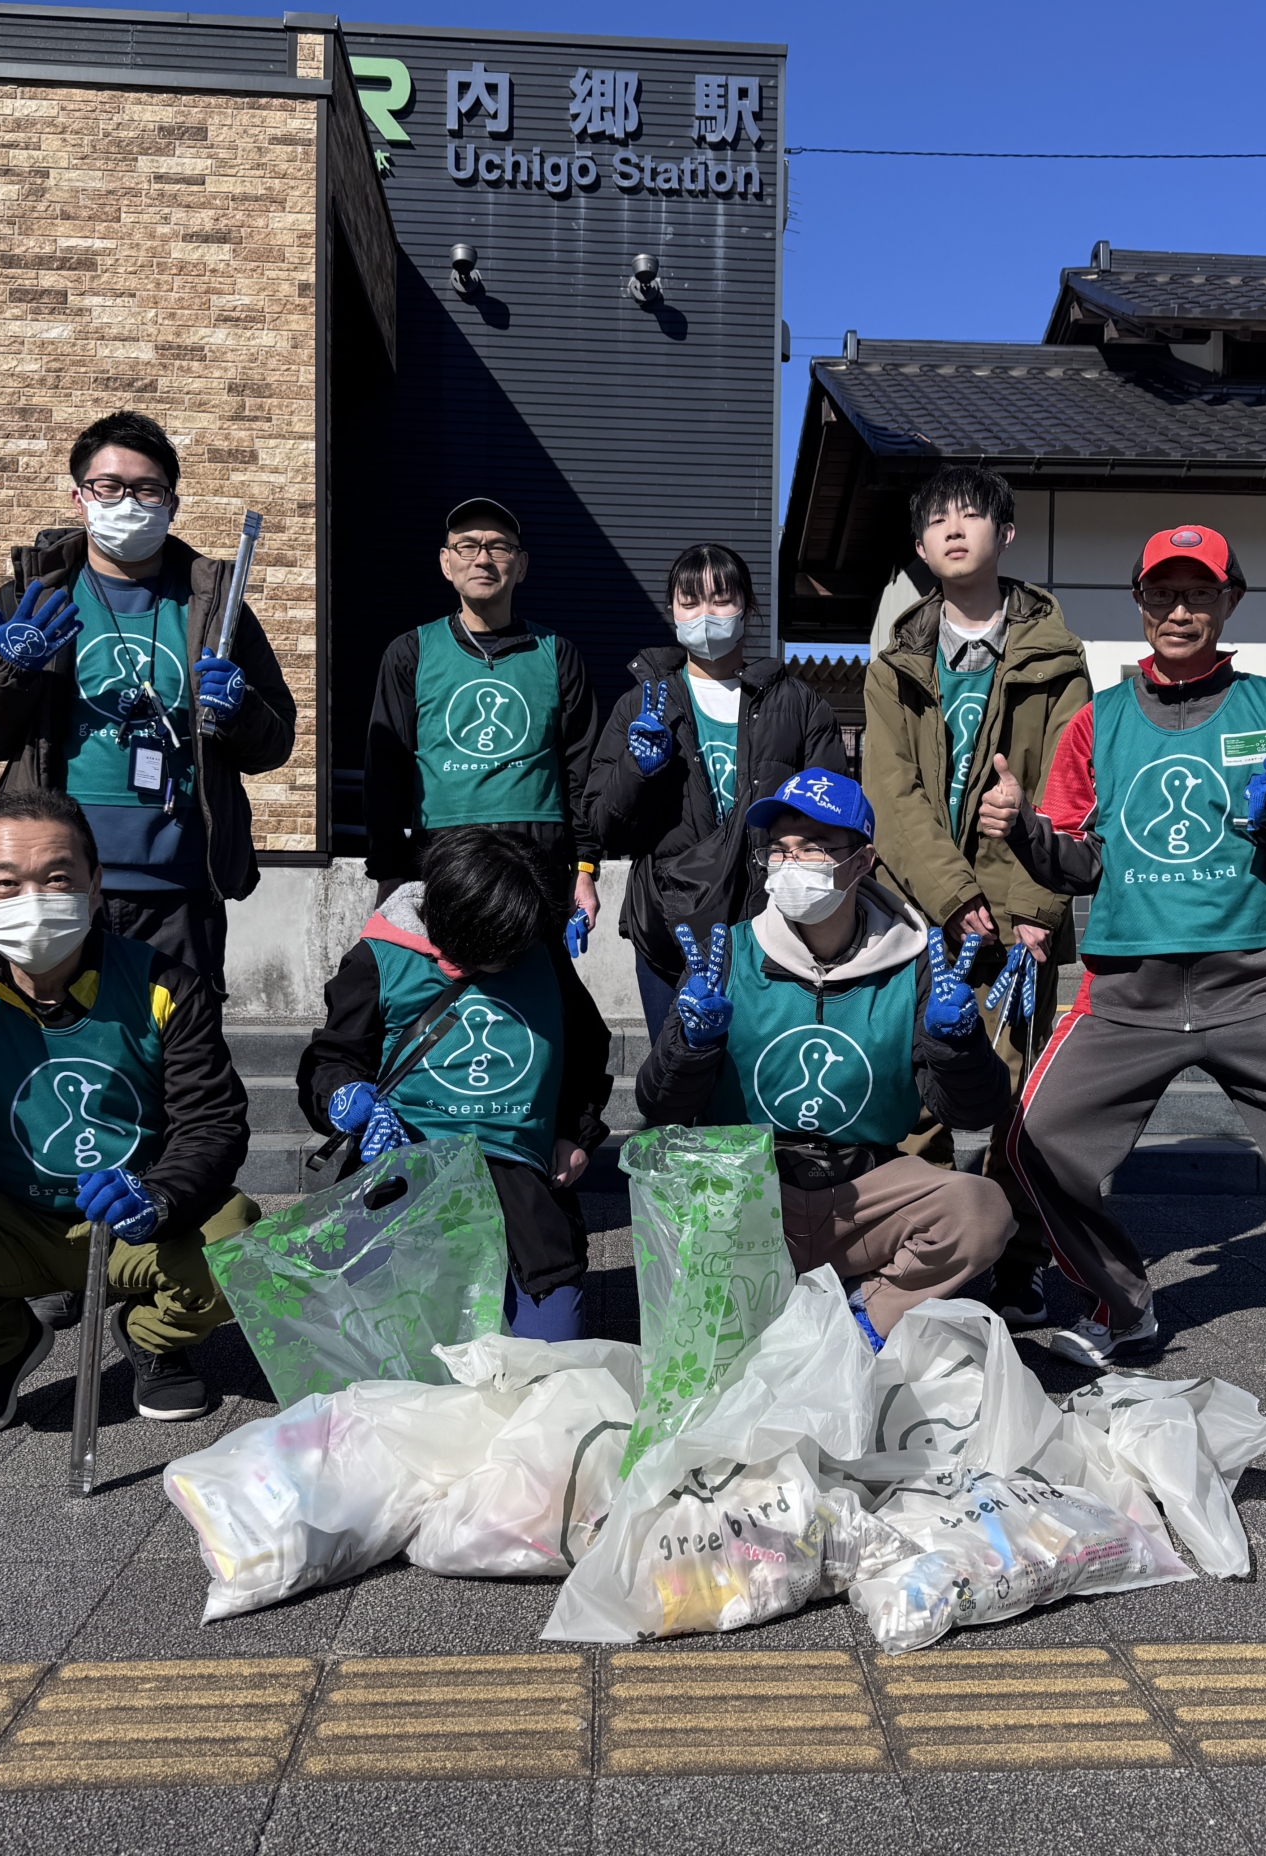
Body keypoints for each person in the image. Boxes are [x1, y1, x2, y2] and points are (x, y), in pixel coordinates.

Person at [979, 523, 1266, 1393]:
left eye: (1200, 592)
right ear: (1139, 606)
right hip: (1126, 987)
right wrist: (1019, 826)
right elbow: (1076, 859)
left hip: (1260, 982)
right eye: (1163, 593)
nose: (1180, 609)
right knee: (1033, 1141)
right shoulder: (1100, 721)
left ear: (1228, 602)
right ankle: (1119, 1303)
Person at [0, 788, 257, 1440]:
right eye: (7, 883)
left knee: (243, 1247)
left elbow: (212, 1123)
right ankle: (1, 1345)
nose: (32, 900)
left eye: (57, 878)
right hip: (0, 1221)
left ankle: (152, 1337)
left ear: (94, 886)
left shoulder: (164, 986)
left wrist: (163, 1197)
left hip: (132, 1218)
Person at [636, 768, 1017, 1348]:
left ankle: (867, 1316)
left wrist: (957, 1044)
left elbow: (971, 1111)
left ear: (862, 862)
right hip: (752, 1189)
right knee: (670, 1193)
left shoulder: (913, 964)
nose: (793, 864)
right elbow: (658, 1104)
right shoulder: (727, 957)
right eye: (781, 850)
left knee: (980, 1209)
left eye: (815, 847)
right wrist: (692, 1043)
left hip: (866, 1185)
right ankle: (759, 1308)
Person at [0, 409, 296, 995]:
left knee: (178, 1065)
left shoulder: (216, 609)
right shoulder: (32, 599)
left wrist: (241, 709)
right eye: (109, 486)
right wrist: (10, 671)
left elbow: (275, 742)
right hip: (53, 888)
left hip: (180, 890)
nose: (127, 501)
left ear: (172, 503)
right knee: (48, 1050)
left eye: (147, 488)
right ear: (81, 498)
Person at [861, 466, 1091, 1331]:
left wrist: (1037, 902)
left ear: (1006, 535)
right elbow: (891, 796)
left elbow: (1073, 788)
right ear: (920, 548)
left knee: (1019, 1102)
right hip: (921, 912)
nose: (956, 530)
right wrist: (955, 899)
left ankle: (1022, 1266)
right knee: (914, 1091)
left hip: (1023, 920)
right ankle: (919, 1257)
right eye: (938, 521)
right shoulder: (895, 667)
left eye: (973, 516)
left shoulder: (1058, 659)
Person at [297, 825, 614, 1342]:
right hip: (409, 1168)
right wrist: (343, 1095)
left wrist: (575, 1134)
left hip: (521, 1179)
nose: (508, 960)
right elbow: (331, 1057)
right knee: (401, 1356)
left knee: (550, 1358)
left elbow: (588, 1047)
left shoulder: (538, 949)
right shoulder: (379, 958)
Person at [583, 541, 848, 1038]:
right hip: (669, 935)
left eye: (721, 599)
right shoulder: (640, 705)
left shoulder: (798, 703)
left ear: (748, 607)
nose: (706, 615)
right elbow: (605, 828)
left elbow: (829, 822)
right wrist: (640, 770)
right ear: (673, 612)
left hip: (774, 933)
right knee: (679, 1083)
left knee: (760, 1087)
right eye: (691, 602)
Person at [363, 498, 603, 953]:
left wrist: (586, 868)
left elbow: (582, 773)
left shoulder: (558, 654)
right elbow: (385, 774)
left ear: (522, 564)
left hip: (538, 866)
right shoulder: (410, 652)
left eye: (499, 547)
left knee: (544, 1010)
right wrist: (390, 875)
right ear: (445, 561)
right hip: (439, 863)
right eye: (467, 545)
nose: (482, 558)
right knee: (438, 1005)